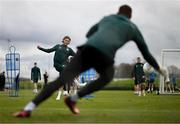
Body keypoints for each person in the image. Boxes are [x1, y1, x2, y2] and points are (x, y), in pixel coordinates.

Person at [14, 4, 166, 117]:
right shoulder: (132, 28)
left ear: (118, 12)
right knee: (107, 76)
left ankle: (27, 109)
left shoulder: (107, 18)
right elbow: (145, 52)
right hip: (104, 56)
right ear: (130, 17)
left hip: (85, 50)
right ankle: (73, 99)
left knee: (59, 81)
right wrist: (159, 69)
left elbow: (89, 33)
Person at [37, 36, 76, 100]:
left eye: (68, 41)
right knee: (65, 71)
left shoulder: (69, 50)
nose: (67, 41)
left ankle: (64, 92)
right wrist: (41, 48)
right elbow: (49, 51)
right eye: (66, 40)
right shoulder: (58, 46)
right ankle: (72, 85)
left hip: (64, 66)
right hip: (57, 64)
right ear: (63, 40)